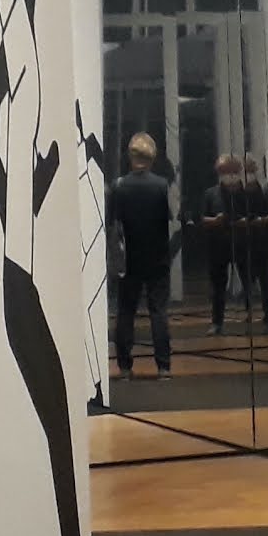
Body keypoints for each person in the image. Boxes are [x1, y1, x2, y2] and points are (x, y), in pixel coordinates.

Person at [107, 132, 174, 379]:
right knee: (159, 312)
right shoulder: (161, 186)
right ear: (152, 157)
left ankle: (125, 366)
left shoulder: (118, 187)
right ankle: (163, 366)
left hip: (128, 259)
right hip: (157, 257)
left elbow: (112, 224)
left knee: (126, 312)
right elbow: (168, 220)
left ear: (130, 156)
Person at [198, 154, 240, 335]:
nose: (229, 175)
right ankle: (217, 322)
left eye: (232, 171)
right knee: (218, 287)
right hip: (217, 245)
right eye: (224, 172)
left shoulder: (244, 194)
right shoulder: (211, 194)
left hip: (240, 243)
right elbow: (202, 219)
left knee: (250, 280)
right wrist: (215, 220)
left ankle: (260, 317)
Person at [238, 154, 268, 327]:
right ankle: (250, 311)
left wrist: (260, 221)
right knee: (247, 279)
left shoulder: (265, 188)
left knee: (265, 279)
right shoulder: (240, 189)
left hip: (262, 241)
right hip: (246, 240)